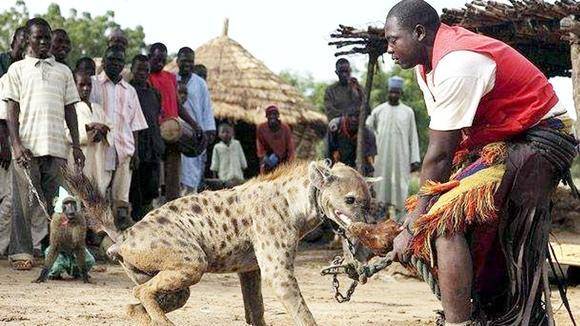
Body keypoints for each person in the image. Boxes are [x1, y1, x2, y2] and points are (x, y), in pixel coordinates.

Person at [379, 1, 577, 324]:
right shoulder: (425, 69)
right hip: (506, 142)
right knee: (435, 209)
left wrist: (415, 221)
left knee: (443, 221)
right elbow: (450, 143)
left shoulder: (458, 62)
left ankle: (461, 322)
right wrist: (416, 214)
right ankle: (484, 309)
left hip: (542, 138)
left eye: (393, 39)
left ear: (419, 32)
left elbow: (440, 155)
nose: (388, 49)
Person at [4, 18, 85, 270]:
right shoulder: (16, 70)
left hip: (57, 147)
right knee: (23, 202)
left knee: (62, 204)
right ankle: (21, 252)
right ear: (27, 39)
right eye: (38, 37)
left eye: (47, 37)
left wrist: (75, 144)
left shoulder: (63, 71)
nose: (44, 42)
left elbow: (70, 109)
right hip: (27, 147)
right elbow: (11, 110)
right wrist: (16, 145)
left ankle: (63, 252)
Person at [89, 45, 147, 229]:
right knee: (96, 191)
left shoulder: (130, 91)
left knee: (121, 198)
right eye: (111, 59)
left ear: (124, 64)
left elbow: (135, 125)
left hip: (124, 150)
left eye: (119, 60)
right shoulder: (92, 84)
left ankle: (119, 236)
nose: (115, 64)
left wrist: (135, 153)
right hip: (99, 148)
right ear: (103, 61)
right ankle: (95, 234)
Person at [148, 43, 199, 201]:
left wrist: (194, 124)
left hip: (173, 132)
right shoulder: (145, 77)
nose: (160, 62)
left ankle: (172, 208)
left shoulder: (170, 77)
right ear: (150, 57)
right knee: (155, 177)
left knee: (173, 177)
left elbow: (178, 106)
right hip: (153, 133)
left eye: (163, 59)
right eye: (157, 59)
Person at [366, 76, 420, 211]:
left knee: (400, 187)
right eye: (391, 91)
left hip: (401, 156)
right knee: (381, 185)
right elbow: (367, 129)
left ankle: (399, 216)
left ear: (400, 93)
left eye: (396, 92)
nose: (393, 94)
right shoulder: (378, 110)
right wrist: (369, 152)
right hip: (381, 155)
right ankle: (381, 213)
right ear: (388, 92)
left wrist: (415, 159)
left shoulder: (408, 112)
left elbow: (413, 136)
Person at [0, 27, 26, 255]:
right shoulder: (6, 70)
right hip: (6, 143)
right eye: (23, 39)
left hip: (18, 141)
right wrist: (5, 145)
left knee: (11, 200)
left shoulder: (27, 71)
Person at [129, 55, 165, 220]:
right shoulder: (129, 91)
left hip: (153, 146)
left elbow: (156, 119)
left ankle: (147, 219)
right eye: (139, 69)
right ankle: (136, 219)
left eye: (146, 70)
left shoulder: (155, 93)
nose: (142, 73)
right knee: (136, 188)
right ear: (132, 70)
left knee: (152, 186)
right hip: (136, 146)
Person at [176, 47, 216, 194]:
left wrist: (209, 131)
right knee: (175, 171)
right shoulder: (171, 79)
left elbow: (206, 108)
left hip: (195, 135)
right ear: (177, 61)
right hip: (174, 132)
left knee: (192, 174)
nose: (187, 64)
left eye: (191, 61)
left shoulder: (200, 83)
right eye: (184, 60)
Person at [68, 70, 112, 196]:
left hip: (98, 160)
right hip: (80, 158)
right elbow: (65, 132)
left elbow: (110, 129)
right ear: (74, 85)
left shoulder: (97, 108)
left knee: (98, 195)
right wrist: (88, 131)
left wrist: (103, 131)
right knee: (80, 196)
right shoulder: (71, 109)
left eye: (89, 85)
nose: (86, 88)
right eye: (81, 85)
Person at [328, 110, 377, 176]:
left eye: (357, 116)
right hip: (338, 169)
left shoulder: (368, 133)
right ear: (345, 115)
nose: (354, 119)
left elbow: (370, 161)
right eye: (350, 116)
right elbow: (330, 155)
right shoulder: (335, 126)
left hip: (358, 172)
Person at [256, 105, 295, 173]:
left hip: (283, 161)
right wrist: (264, 158)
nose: (272, 116)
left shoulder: (285, 128)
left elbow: (290, 147)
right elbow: (260, 146)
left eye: (274, 114)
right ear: (266, 116)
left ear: (278, 116)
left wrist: (289, 165)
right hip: (269, 161)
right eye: (269, 114)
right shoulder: (261, 128)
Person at [210, 123, 247, 187]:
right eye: (223, 132)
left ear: (232, 133)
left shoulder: (236, 144)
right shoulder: (217, 147)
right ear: (219, 134)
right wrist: (215, 180)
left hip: (238, 177)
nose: (225, 134)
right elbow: (215, 164)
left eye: (227, 132)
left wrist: (243, 170)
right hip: (224, 178)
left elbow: (242, 158)